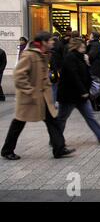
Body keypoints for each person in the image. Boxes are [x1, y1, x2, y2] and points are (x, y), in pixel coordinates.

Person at [1, 32, 75, 160]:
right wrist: (29, 90)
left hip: (42, 97)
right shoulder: (29, 55)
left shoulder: (43, 54)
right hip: (29, 97)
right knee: (18, 123)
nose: (53, 43)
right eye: (50, 41)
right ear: (43, 42)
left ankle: (59, 148)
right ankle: (7, 150)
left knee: (53, 121)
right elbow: (19, 75)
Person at [56, 37, 100, 144]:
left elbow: (85, 74)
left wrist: (87, 63)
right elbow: (74, 76)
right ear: (77, 47)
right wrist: (83, 91)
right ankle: (56, 139)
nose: (84, 48)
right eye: (82, 46)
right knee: (62, 118)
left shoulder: (81, 57)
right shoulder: (70, 57)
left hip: (81, 95)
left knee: (89, 116)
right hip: (69, 95)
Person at [86, 31, 100, 110]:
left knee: (95, 87)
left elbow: (91, 56)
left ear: (93, 36)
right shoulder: (96, 44)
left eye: (90, 35)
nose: (89, 36)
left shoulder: (95, 45)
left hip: (94, 69)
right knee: (95, 87)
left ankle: (96, 105)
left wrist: (86, 57)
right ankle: (97, 105)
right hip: (96, 69)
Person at [49, 32, 64, 105]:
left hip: (51, 69)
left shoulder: (49, 45)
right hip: (58, 68)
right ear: (58, 37)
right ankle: (55, 101)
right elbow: (63, 56)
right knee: (56, 85)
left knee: (53, 86)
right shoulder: (60, 44)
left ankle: (52, 102)